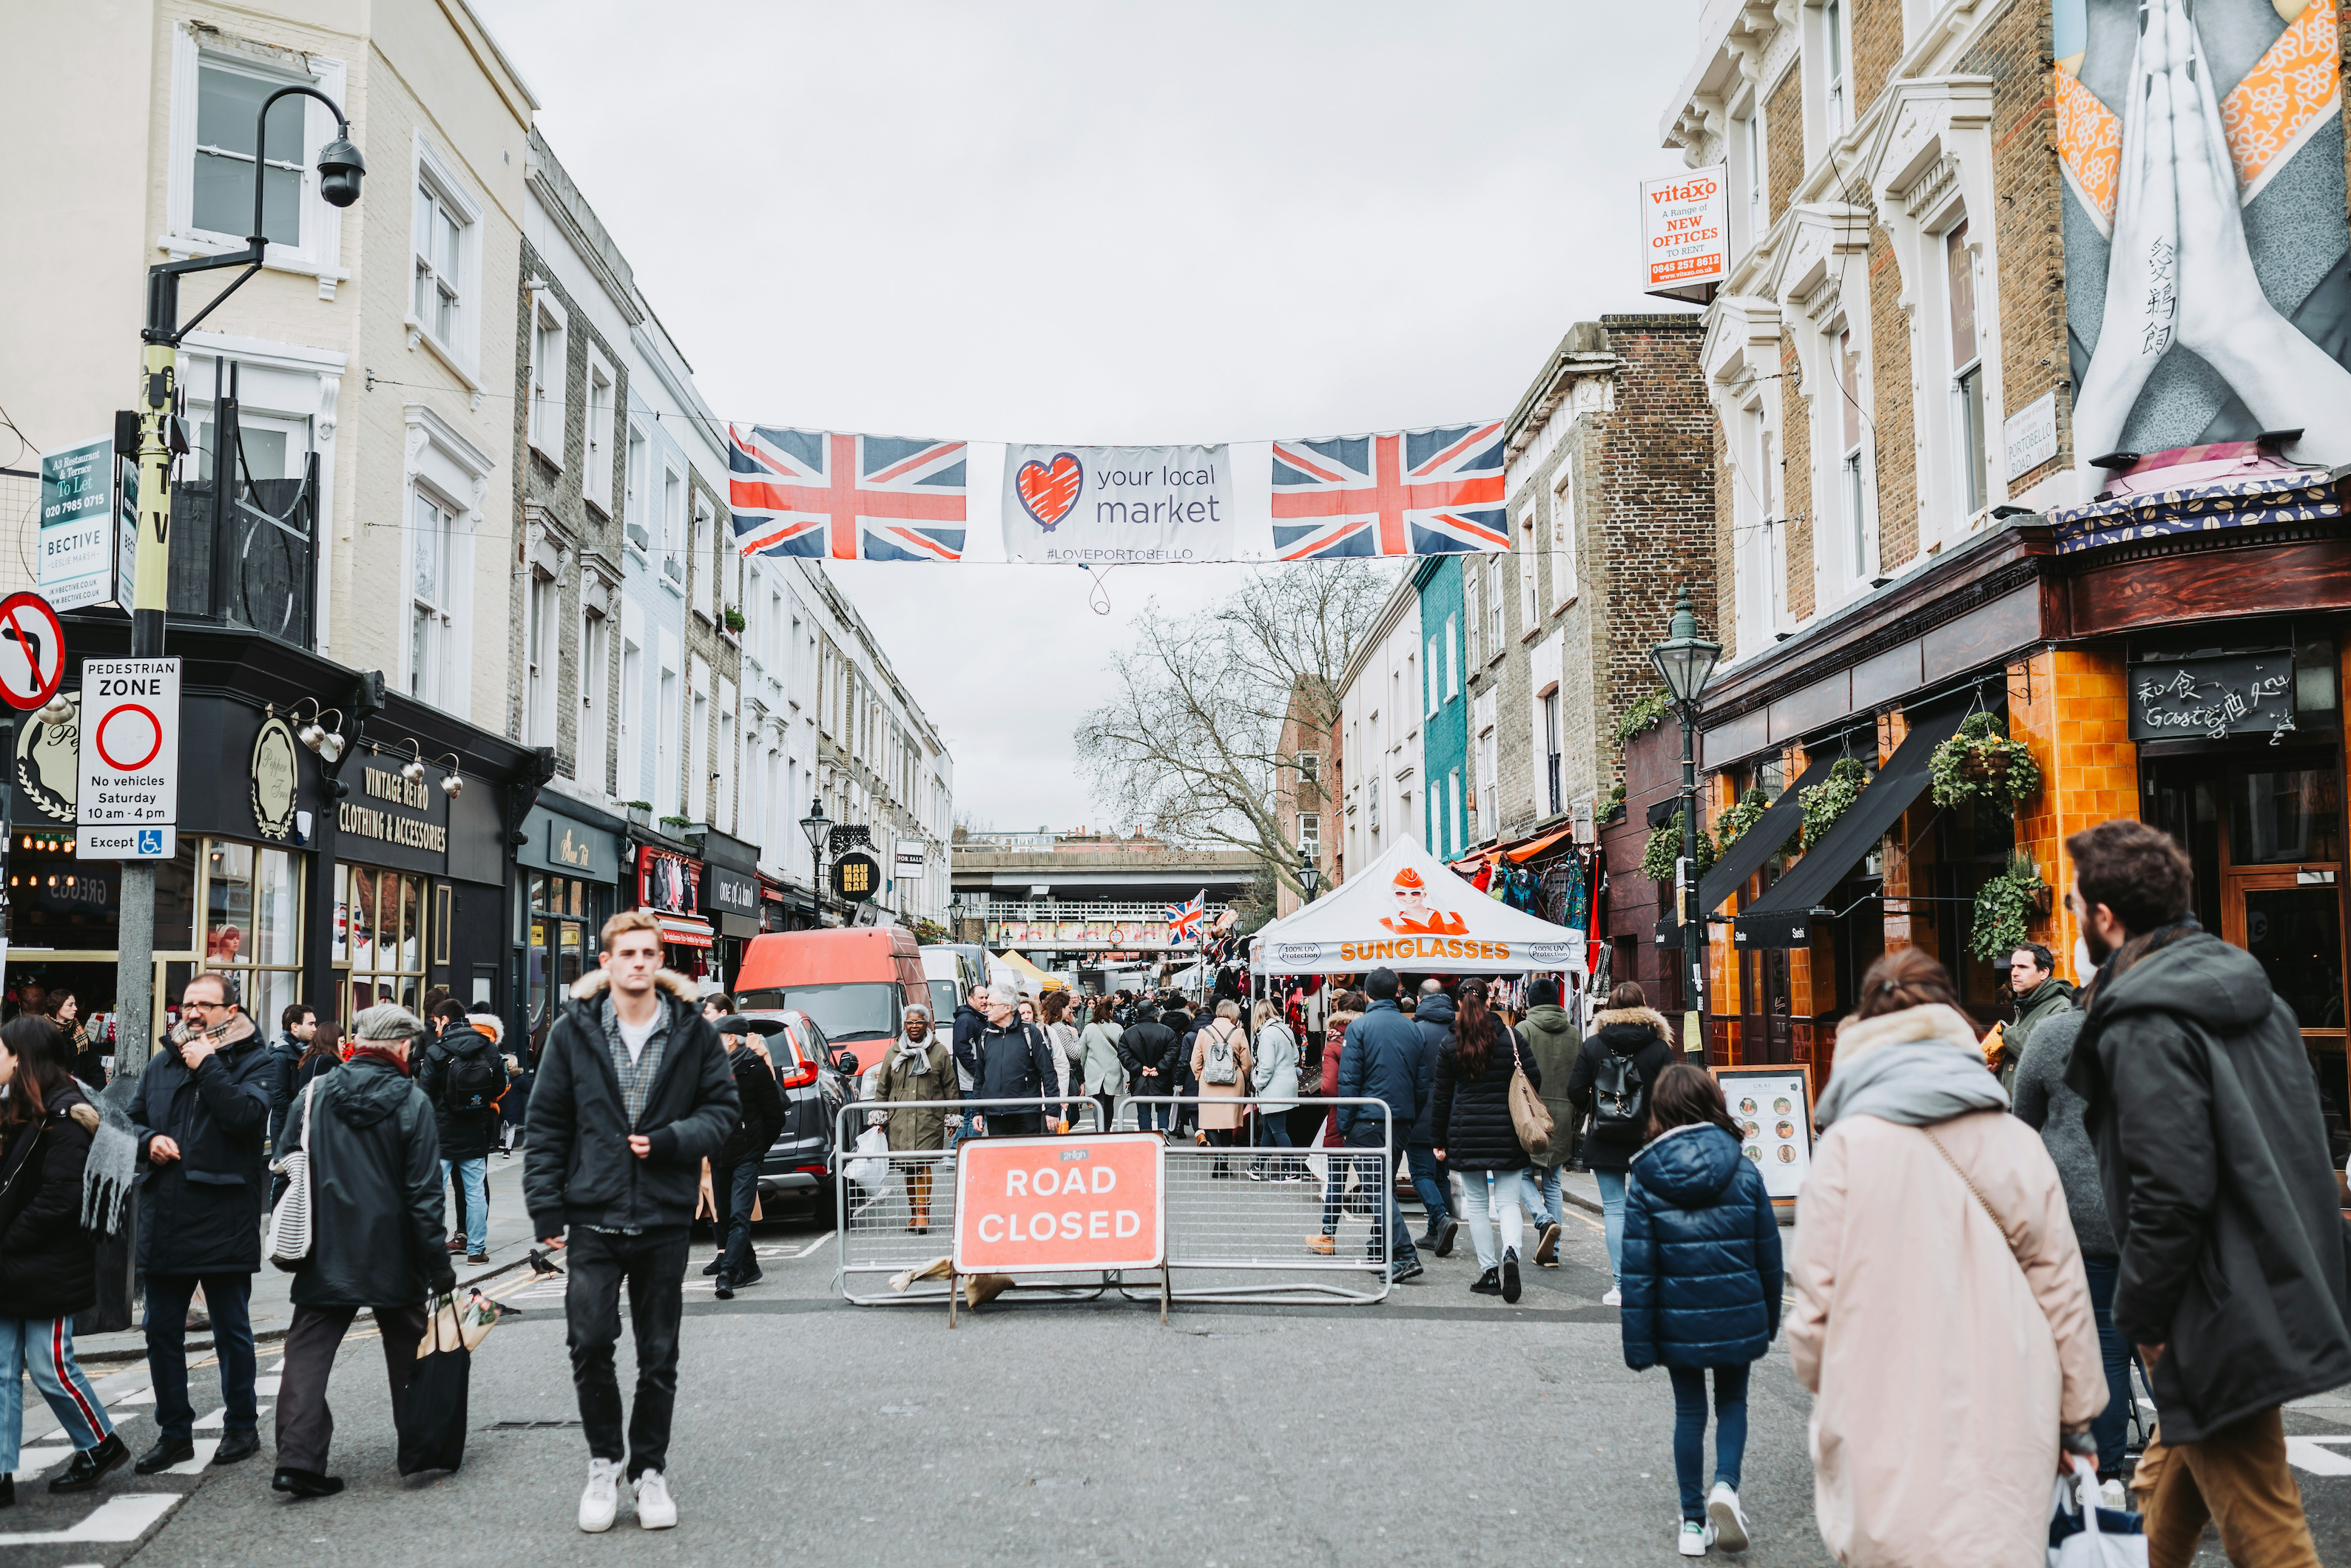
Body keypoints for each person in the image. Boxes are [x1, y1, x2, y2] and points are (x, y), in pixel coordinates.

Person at [2062, 818, 2350, 1567]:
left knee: (2266, 1526)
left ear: (2105, 917)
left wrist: (2143, 1313)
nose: (2073, 916)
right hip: (2263, 1276)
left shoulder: (2143, 1020)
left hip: (2208, 1303)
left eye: (2074, 904)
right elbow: (2308, 1137)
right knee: (2167, 1480)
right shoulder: (2255, 995)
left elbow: (2169, 1188)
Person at [1788, 949, 2103, 1567]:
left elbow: (1814, 1313)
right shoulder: (2016, 1143)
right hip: (2010, 1404)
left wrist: (1840, 1381)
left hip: (1881, 1408)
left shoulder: (1846, 1148)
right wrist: (2077, 1419)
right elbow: (2063, 1294)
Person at [525, 910, 741, 1534]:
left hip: (662, 1217)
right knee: (589, 1341)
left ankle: (649, 1472)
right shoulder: (573, 1032)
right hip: (593, 1215)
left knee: (659, 1353)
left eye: (649, 953)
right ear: (607, 963)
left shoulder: (693, 1033)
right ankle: (604, 1463)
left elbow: (722, 1111)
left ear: (660, 961)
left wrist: (671, 1140)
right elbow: (547, 1123)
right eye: (628, 953)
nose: (639, 962)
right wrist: (545, 1206)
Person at [269, 1004, 456, 1499]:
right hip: (394, 1249)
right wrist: (438, 1264)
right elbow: (424, 1195)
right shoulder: (413, 1101)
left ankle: (298, 1460)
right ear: (403, 1046)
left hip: (324, 1244)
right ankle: (422, 1448)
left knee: (307, 1351)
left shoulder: (314, 1093)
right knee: (409, 1348)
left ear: (359, 1042)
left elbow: (285, 1155)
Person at [1620, 1062, 1783, 1557]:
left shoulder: (1646, 1177)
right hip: (1739, 1308)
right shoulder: (1744, 1168)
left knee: (1689, 1412)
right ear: (1713, 1105)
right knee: (1733, 1402)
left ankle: (1693, 1523)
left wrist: (1639, 1341)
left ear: (1660, 1110)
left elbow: (1638, 1269)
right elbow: (1769, 1255)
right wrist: (1768, 1317)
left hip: (1677, 1317)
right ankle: (1725, 1488)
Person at [127, 970, 274, 1475]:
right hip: (166, 1215)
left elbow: (246, 1118)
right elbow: (131, 1118)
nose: (191, 1013)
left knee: (231, 1330)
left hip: (223, 1215)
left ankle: (242, 1427)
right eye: (187, 1004)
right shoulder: (162, 1061)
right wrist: (148, 1140)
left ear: (230, 1011)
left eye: (204, 1005)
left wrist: (209, 1064)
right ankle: (174, 1434)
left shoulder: (257, 1060)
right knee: (160, 1331)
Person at [0, 1017, 128, 1506]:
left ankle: (100, 1443)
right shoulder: (17, 1108)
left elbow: (61, 1197)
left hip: (47, 1264)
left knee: (50, 1366)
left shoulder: (66, 1115)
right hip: (14, 1261)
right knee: (1, 1371)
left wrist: (9, 1240)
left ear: (21, 1058)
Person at [2011, 998, 2133, 1507]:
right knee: (2173, 1346)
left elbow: (2022, 1122)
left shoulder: (2054, 1034)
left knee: (2104, 1343)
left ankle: (2105, 1475)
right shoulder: (2167, 1028)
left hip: (2083, 1213)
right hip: (2163, 1208)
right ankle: (2192, 1466)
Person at [1566, 982, 1676, 1305]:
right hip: (1650, 1138)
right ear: (1644, 1005)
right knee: (1648, 1209)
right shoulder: (1659, 1047)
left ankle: (1622, 1285)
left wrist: (1595, 1108)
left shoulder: (1594, 1045)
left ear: (1609, 1008)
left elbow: (1575, 1091)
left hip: (1605, 1136)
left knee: (1615, 1209)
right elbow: (1673, 1093)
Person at [1430, 979, 1539, 1301]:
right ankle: (1511, 1253)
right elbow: (1534, 1079)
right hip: (1508, 1131)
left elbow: (1441, 1097)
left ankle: (1490, 1272)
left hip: (1467, 1132)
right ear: (1490, 1002)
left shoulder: (1450, 1043)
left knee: (1477, 1205)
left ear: (1458, 1004)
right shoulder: (1512, 1037)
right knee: (1508, 1203)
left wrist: (1439, 1140)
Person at [1332, 969, 1426, 1283]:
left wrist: (1345, 1125)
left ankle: (1405, 1253)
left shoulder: (1359, 1028)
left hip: (1368, 1120)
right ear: (1396, 993)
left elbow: (1349, 1083)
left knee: (1376, 1188)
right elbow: (1422, 1084)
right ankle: (1379, 1248)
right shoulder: (1412, 1028)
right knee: (1384, 1186)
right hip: (1400, 1120)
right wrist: (1410, 1115)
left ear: (1368, 995)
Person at [418, 998, 501, 1264]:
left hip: (441, 1133)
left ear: (445, 1020)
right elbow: (500, 1086)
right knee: (475, 1191)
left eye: (436, 1022)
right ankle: (476, 1250)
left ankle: (434, 1250)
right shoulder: (488, 1048)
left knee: (436, 1192)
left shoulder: (436, 1051)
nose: (435, 1028)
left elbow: (424, 1093)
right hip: (475, 1130)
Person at [707, 1016, 786, 1298]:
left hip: (747, 1154)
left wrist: (758, 1148)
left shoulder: (755, 1068)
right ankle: (750, 1265)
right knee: (724, 1215)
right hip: (719, 1152)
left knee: (740, 1215)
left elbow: (775, 1116)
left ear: (730, 1038)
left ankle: (727, 1275)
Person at [870, 1003, 957, 1235]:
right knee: (908, 1167)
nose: (914, 1026)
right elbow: (883, 1087)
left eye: (919, 1022)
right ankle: (913, 1213)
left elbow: (950, 1086)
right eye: (910, 1022)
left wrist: (952, 1117)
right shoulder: (893, 1052)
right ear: (904, 1025)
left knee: (922, 1164)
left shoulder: (939, 1052)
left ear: (927, 1024)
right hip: (899, 1119)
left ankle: (922, 1213)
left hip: (929, 1118)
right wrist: (880, 1117)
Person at [1517, 976, 1580, 1268]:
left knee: (1522, 1176)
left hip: (1530, 1114)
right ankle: (1553, 1252)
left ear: (1530, 1001)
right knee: (1553, 1183)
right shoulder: (1574, 1034)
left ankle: (1544, 1220)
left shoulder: (1524, 1029)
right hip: (1563, 1116)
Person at [954, 981, 1058, 1138]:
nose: (987, 1008)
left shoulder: (1030, 1033)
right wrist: (977, 1111)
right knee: (1000, 1154)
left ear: (1007, 1008)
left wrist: (1052, 1110)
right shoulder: (985, 1036)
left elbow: (1048, 1073)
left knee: (1028, 1153)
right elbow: (980, 1077)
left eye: (991, 1005)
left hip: (1027, 1112)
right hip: (996, 1113)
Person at [1404, 979, 1460, 1255]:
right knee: (1441, 1174)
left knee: (1420, 1173)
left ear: (1419, 999)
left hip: (1421, 1111)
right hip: (1452, 1112)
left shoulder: (1415, 1031)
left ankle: (1440, 1218)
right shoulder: (1459, 1031)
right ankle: (1435, 1233)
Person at [1998, 942, 2073, 1095]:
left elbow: (2044, 1055)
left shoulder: (2061, 1007)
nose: (2014, 973)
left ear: (2043, 973)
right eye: (2013, 967)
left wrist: (2007, 1033)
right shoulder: (2026, 1004)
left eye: (2022, 967)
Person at [1192, 1000, 1252, 1175]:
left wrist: (1200, 1076)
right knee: (1228, 1122)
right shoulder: (1238, 1032)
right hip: (1233, 1081)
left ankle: (1219, 1160)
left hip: (1209, 1081)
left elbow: (1195, 1061)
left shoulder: (1204, 1032)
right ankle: (1223, 1163)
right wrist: (1242, 1075)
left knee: (1208, 1121)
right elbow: (1247, 1062)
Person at [1247, 998, 1301, 1180]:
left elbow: (1267, 1066)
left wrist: (1257, 1083)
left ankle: (1292, 1170)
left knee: (1278, 1130)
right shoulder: (1285, 1029)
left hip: (1273, 1088)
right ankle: (1258, 1167)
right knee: (1269, 1129)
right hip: (1288, 1085)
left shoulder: (1267, 1034)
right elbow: (1296, 1058)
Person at [265, 1001, 319, 1155]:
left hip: (302, 1126)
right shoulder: (280, 1054)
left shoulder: (305, 1051)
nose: (315, 1029)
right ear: (295, 1027)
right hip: (287, 1128)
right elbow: (278, 1098)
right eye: (310, 1024)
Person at [1116, 1002, 1178, 1135]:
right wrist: (1159, 1068)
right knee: (1163, 1109)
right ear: (1154, 1014)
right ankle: (1163, 1137)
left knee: (1143, 1113)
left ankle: (1146, 1139)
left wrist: (1140, 1068)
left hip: (1140, 1079)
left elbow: (1124, 1055)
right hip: (1162, 1078)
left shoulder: (1129, 1033)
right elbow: (1172, 1053)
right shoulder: (1167, 1031)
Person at [1077, 996, 1126, 1134]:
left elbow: (1082, 1053)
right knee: (1109, 1103)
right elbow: (1123, 1053)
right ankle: (1107, 1129)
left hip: (1094, 1071)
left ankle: (1100, 1129)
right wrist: (1127, 1075)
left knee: (1098, 1102)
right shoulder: (1118, 1028)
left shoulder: (1089, 1029)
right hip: (1112, 1070)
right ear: (1110, 1011)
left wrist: (1081, 1073)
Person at [1038, 990, 1081, 1130]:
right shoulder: (1060, 1028)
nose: (1070, 1011)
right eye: (1068, 1007)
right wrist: (1075, 1036)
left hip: (1052, 1079)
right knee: (1069, 1115)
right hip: (1062, 1078)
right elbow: (1075, 1053)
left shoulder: (1047, 1026)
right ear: (1061, 1008)